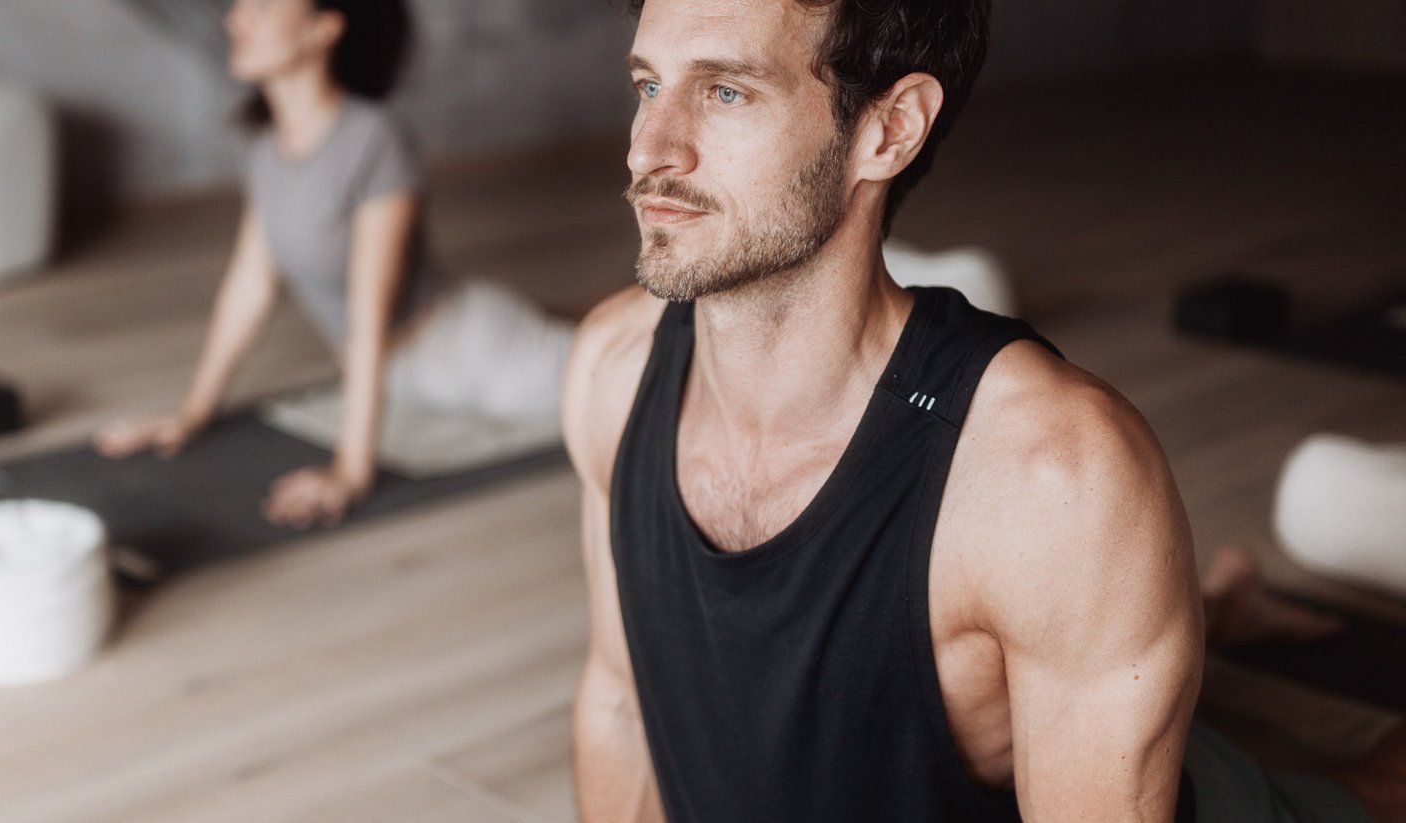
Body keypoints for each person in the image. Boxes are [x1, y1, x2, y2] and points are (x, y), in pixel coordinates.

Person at [561, 0, 1406, 819]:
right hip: (1050, 666)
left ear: (888, 130)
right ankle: (1217, 608)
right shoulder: (612, 367)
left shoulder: (1050, 480)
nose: (649, 149)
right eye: (648, 85)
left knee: (1374, 793)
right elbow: (622, 703)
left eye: (725, 92)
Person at [94, 0, 575, 529]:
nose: (235, 18)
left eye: (262, 6)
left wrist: (351, 469)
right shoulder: (263, 147)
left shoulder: (375, 139)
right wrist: (191, 413)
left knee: (631, 381)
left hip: (469, 353)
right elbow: (249, 288)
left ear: (323, 29)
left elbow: (369, 316)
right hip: (404, 372)